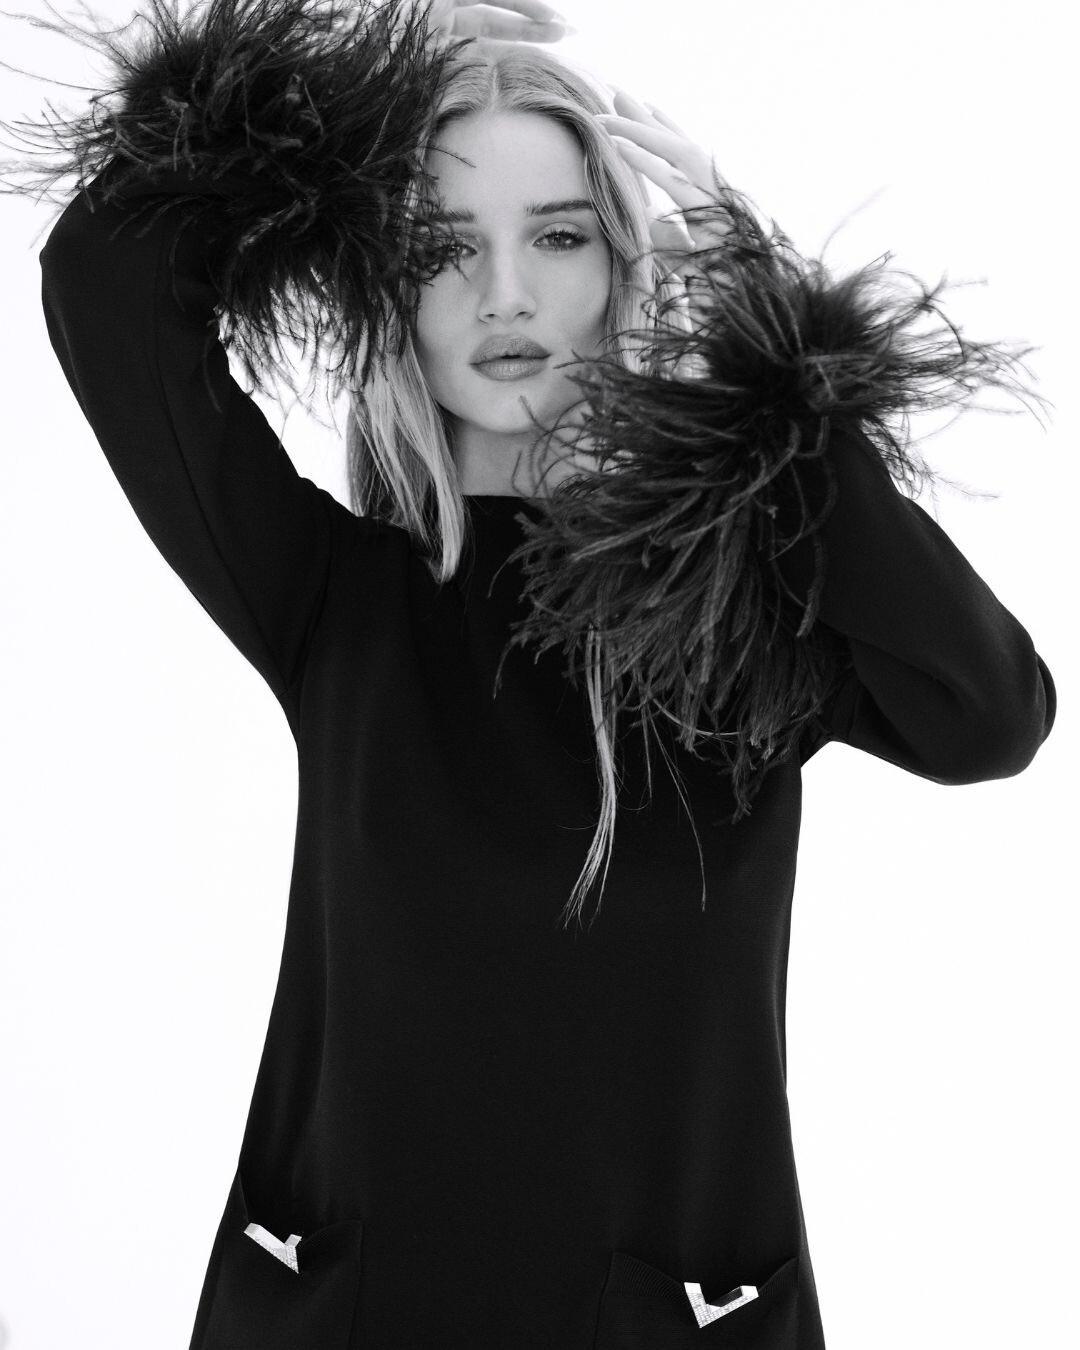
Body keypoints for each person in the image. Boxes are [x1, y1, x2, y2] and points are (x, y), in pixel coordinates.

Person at [0, 0, 1056, 1346]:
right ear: (385, 285)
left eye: (558, 236)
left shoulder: (732, 612)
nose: (504, 294)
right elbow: (106, 277)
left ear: (628, 264)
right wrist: (321, 68)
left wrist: (778, 368)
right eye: (442, 246)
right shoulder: (335, 594)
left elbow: (988, 714)